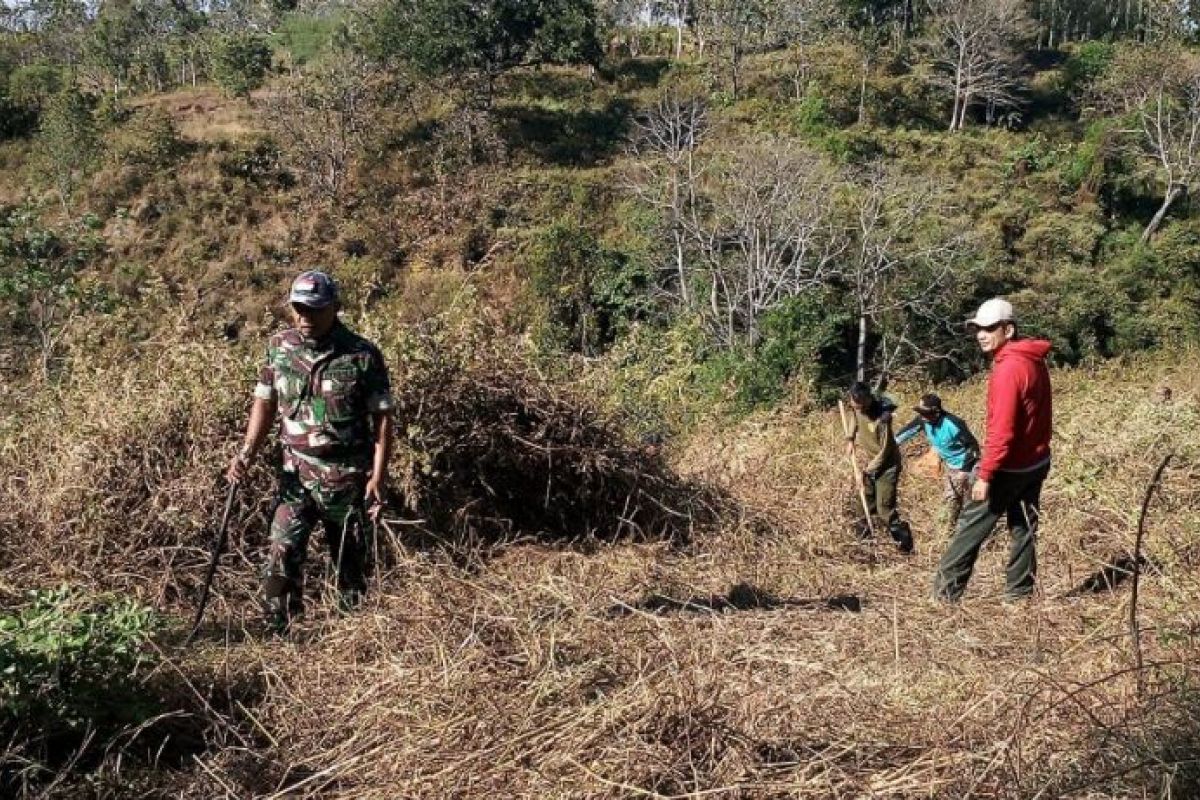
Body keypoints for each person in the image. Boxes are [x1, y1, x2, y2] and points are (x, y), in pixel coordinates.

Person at [227, 270, 395, 632]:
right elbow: (264, 405)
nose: (304, 317)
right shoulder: (279, 348)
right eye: (298, 309)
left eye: (314, 310)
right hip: (296, 476)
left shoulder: (362, 356)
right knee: (280, 551)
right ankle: (277, 628)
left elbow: (383, 420)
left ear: (335, 308)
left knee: (350, 566)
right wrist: (246, 453)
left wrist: (378, 477)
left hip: (348, 479)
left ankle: (354, 639)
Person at [934, 298, 1052, 602]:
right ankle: (1019, 596)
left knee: (969, 530)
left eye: (989, 328)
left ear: (1008, 329)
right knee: (1023, 528)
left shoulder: (1008, 369)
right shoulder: (1033, 359)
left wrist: (985, 475)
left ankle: (943, 597)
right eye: (977, 329)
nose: (981, 334)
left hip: (1008, 468)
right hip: (1036, 462)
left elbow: (1002, 432)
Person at [844, 381, 915, 554]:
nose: (857, 408)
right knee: (863, 506)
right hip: (871, 464)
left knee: (885, 511)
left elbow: (886, 450)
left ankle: (906, 548)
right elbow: (853, 416)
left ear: (867, 400)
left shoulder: (882, 417)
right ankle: (864, 547)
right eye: (854, 405)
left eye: (859, 405)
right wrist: (850, 438)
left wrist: (868, 470)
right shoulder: (856, 407)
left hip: (887, 466)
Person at [895, 394, 980, 536]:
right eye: (920, 413)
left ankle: (970, 533)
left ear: (936, 412)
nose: (922, 416)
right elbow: (903, 435)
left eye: (925, 413)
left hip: (969, 466)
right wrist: (889, 445)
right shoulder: (923, 421)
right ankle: (945, 533)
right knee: (951, 499)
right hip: (952, 467)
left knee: (970, 501)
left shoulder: (953, 424)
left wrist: (964, 470)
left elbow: (973, 447)